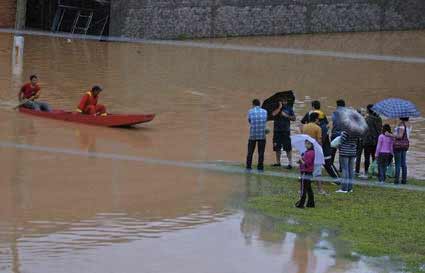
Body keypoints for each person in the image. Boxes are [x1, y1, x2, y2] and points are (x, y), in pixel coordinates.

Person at [301, 112, 326, 194]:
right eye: (318, 119)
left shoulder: (304, 127)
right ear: (316, 119)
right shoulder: (318, 128)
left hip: (306, 150)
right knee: (318, 171)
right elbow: (319, 140)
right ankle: (320, 190)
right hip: (315, 151)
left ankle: (301, 189)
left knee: (305, 170)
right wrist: (321, 149)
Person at [272, 98, 296, 169]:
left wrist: (287, 116)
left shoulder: (289, 108)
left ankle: (290, 163)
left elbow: (294, 118)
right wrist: (279, 108)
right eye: (282, 101)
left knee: (288, 147)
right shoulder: (276, 107)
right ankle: (278, 162)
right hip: (277, 131)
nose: (284, 102)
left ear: (286, 101)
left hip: (286, 130)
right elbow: (273, 114)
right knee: (277, 147)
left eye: (285, 101)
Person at [246, 99, 268, 171]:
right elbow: (265, 121)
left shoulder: (250, 111)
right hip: (262, 135)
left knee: (250, 152)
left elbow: (249, 121)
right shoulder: (265, 111)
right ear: (259, 104)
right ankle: (260, 167)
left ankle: (248, 167)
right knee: (261, 153)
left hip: (253, 135)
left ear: (253, 104)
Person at [362, 104, 382, 176]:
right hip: (377, 141)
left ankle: (366, 173)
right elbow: (380, 130)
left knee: (367, 157)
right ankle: (375, 172)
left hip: (367, 141)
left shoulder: (367, 119)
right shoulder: (379, 119)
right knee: (375, 157)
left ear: (368, 110)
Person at [295, 140, 315, 208]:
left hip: (305, 172)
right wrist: (300, 160)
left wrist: (301, 160)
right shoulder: (307, 152)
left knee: (303, 189)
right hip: (308, 172)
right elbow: (304, 160)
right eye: (306, 144)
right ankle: (311, 203)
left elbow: (306, 164)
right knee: (308, 188)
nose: (306, 145)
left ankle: (301, 204)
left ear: (311, 145)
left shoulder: (310, 153)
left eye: (308, 144)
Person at [393, 117, 411, 184]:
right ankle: (404, 180)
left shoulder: (401, 125)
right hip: (405, 145)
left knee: (398, 163)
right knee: (403, 163)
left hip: (398, 145)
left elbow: (400, 136)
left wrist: (391, 135)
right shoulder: (409, 125)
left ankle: (396, 180)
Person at [330, 99, 346, 166]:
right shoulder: (347, 113)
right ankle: (341, 167)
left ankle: (331, 165)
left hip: (334, 134)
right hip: (343, 134)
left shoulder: (334, 113)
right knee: (342, 152)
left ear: (337, 105)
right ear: (344, 105)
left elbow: (333, 121)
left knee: (332, 152)